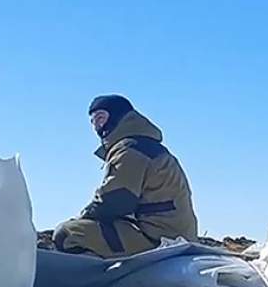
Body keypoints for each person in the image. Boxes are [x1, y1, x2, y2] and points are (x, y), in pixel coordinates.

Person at [54, 95, 198, 257]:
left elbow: (116, 200)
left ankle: (99, 278)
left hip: (159, 239)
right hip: (174, 235)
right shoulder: (145, 146)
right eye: (93, 121)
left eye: (101, 118)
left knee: (67, 233)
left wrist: (83, 217)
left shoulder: (131, 150)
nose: (97, 126)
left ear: (118, 116)